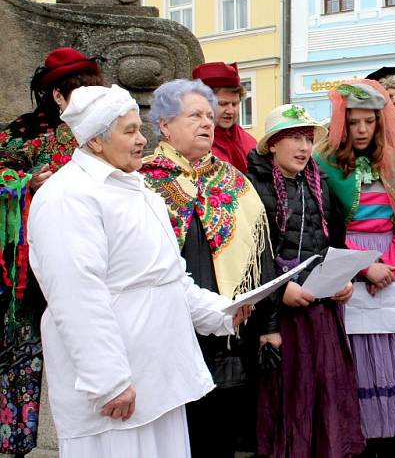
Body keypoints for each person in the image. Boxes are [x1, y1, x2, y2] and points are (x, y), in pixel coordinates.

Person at [27, 84, 249, 458]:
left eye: (138, 128)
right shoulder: (68, 197)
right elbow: (75, 297)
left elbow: (168, 277)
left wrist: (219, 313)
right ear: (96, 142)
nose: (141, 140)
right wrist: (109, 381)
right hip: (118, 384)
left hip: (159, 374)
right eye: (129, 131)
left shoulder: (138, 188)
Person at [140, 79, 277, 458]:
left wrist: (268, 325)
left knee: (223, 436)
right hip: (171, 328)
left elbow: (260, 255)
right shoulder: (144, 183)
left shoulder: (233, 181)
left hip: (232, 334)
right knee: (178, 435)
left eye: (209, 115)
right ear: (164, 125)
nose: (207, 122)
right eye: (194, 115)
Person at [0, 46, 103, 457]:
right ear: (56, 96)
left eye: (89, 88)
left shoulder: (105, 130)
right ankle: (19, 443)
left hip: (91, 258)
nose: (82, 96)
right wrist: (26, 183)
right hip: (30, 267)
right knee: (24, 356)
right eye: (73, 90)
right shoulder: (23, 133)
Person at [315, 80, 395, 458]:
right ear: (343, 123)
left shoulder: (394, 162)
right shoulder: (324, 163)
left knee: (390, 358)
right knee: (358, 360)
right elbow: (327, 226)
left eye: (369, 122)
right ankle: (356, 441)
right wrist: (366, 267)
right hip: (350, 267)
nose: (362, 130)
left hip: (391, 268)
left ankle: (389, 441)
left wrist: (391, 266)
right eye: (355, 122)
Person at [246, 103, 365, 458]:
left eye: (307, 139)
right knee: (290, 397)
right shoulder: (253, 187)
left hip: (320, 308)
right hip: (281, 314)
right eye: (293, 138)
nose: (303, 147)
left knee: (326, 390)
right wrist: (280, 292)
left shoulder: (318, 183)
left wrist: (343, 279)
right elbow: (255, 255)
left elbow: (332, 243)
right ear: (272, 145)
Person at [192, 61, 256, 174]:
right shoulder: (190, 143)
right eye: (222, 104)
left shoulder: (249, 141)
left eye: (235, 104)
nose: (231, 111)